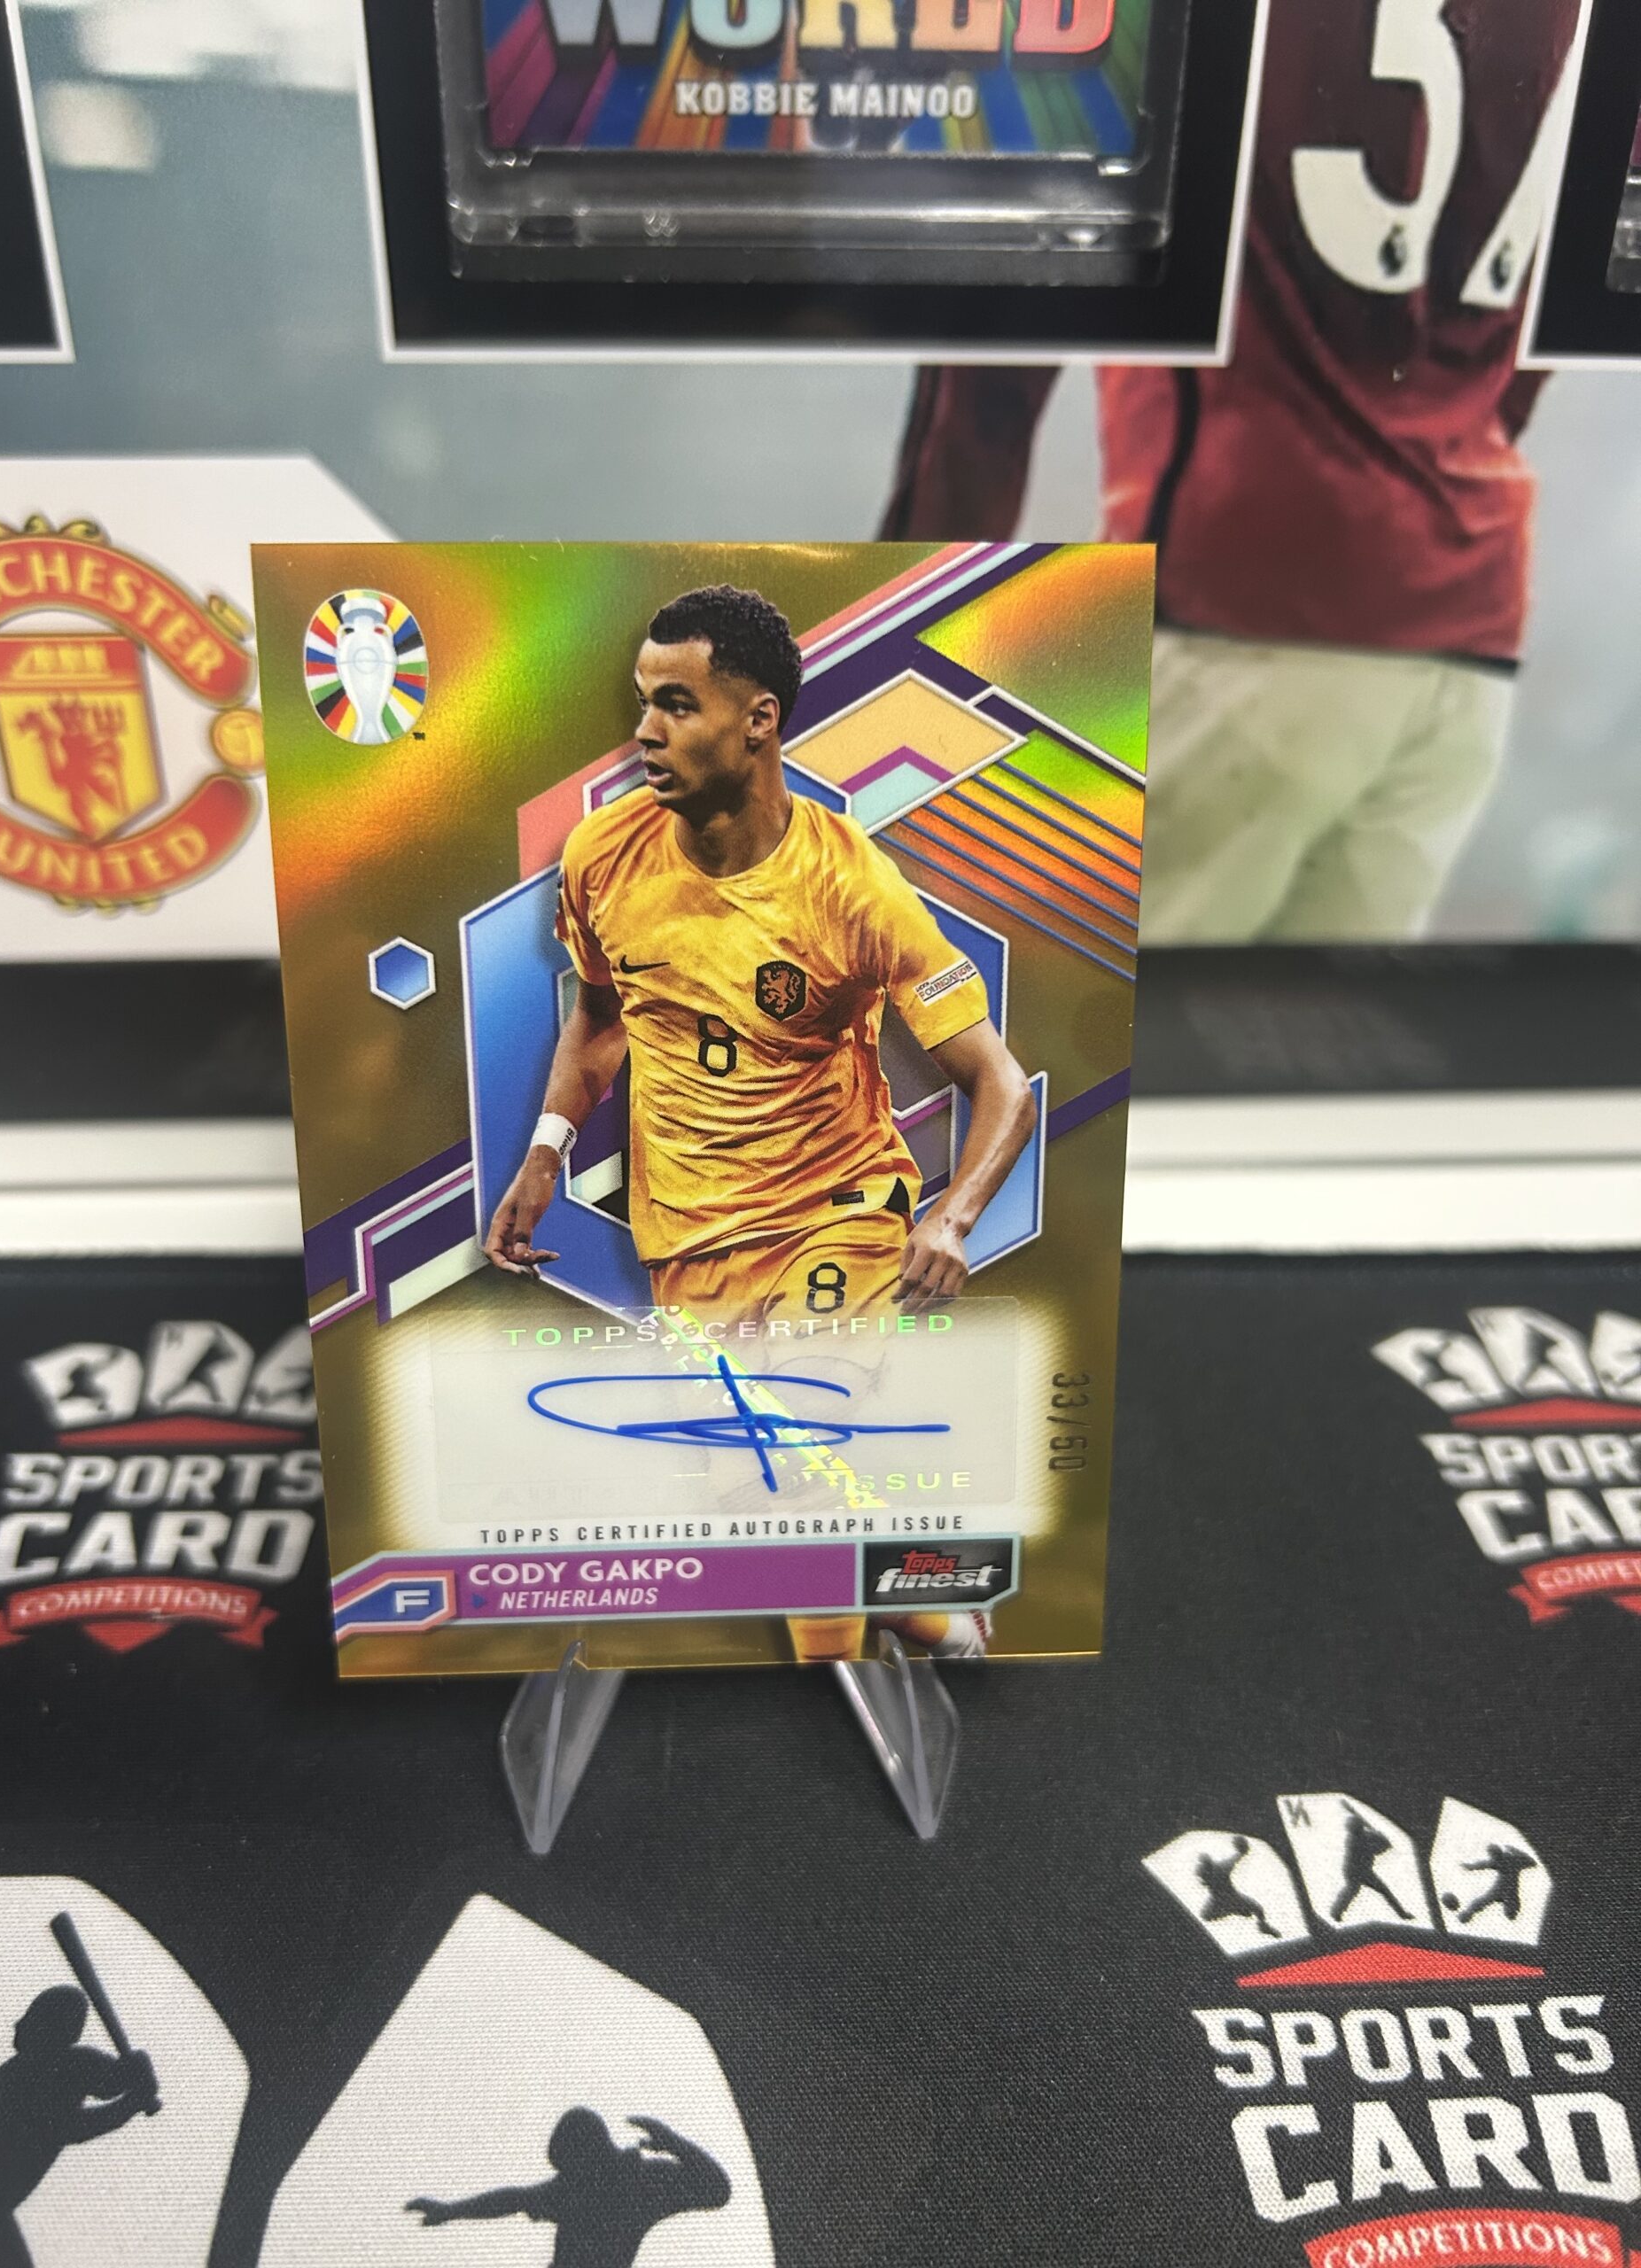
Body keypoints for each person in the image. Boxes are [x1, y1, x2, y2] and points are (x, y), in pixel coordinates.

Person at [879, 0, 1583, 942]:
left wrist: (897, 674)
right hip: (1465, 635)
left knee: (1085, 1021)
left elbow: (992, 370)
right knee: (1316, 1037)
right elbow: (1546, 326)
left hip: (1238, 615)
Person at [484, 583, 1036, 1661]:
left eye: (678, 703)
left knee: (797, 1449)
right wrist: (547, 1151)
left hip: (836, 1209)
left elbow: (1001, 1084)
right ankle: (932, 1608)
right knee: (761, 1497)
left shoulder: (853, 890)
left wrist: (952, 1219)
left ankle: (839, 1687)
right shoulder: (603, 855)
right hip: (688, 1237)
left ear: (759, 720)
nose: (646, 730)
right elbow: (601, 1018)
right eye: (644, 700)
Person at [0, 1984, 159, 2268]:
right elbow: (70, 2127)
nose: (18, 2024)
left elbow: (114, 2081)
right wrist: (131, 2102)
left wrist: (136, 2072)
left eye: (32, 2017)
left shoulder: (64, 2066)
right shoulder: (20, 2077)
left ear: (50, 2028)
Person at [406, 2108, 729, 2266]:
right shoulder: (589, 2184)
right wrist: (449, 2210)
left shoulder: (642, 2182)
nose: (565, 2176)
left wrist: (672, 2142)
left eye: (570, 2167)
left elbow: (717, 2190)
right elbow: (513, 2199)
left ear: (588, 2155)